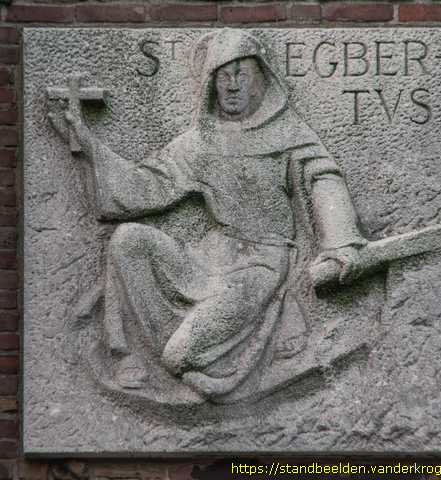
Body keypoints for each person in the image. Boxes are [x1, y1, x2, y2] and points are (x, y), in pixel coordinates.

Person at [49, 29, 366, 401]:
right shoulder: (200, 142)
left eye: (241, 73)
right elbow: (144, 186)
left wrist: (341, 243)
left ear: (261, 78)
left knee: (179, 355)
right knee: (129, 239)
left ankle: (247, 325)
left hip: (261, 263)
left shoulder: (290, 134)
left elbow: (323, 179)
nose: (232, 85)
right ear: (211, 85)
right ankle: (128, 351)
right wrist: (86, 143)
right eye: (222, 75)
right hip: (209, 256)